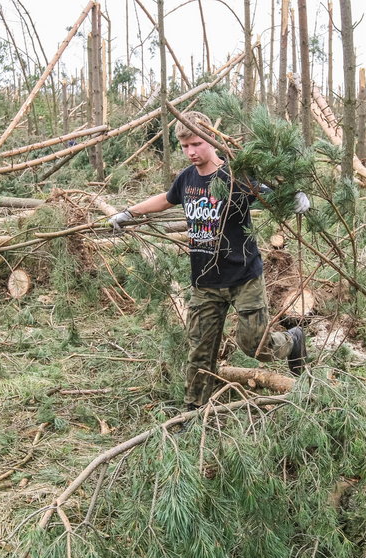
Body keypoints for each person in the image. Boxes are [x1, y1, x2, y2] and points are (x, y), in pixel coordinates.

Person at [109, 111, 310, 410]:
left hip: (244, 277)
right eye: (184, 146)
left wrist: (294, 198)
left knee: (256, 346)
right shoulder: (187, 179)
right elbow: (166, 199)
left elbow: (271, 195)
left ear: (212, 141)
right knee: (200, 350)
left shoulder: (235, 177)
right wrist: (129, 212)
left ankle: (293, 340)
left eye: (197, 144)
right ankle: (194, 411)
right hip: (205, 282)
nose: (191, 152)